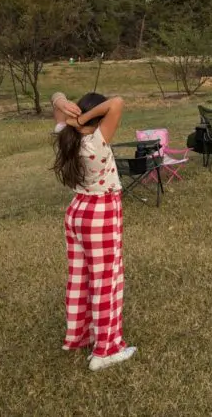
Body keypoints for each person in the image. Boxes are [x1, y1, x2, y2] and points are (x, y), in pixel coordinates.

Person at [51, 91, 137, 372]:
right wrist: (85, 118)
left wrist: (65, 107)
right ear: (100, 119)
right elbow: (118, 102)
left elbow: (56, 96)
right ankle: (106, 349)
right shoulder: (95, 141)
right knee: (106, 281)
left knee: (80, 276)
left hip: (77, 210)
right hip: (100, 213)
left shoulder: (68, 136)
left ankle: (80, 335)